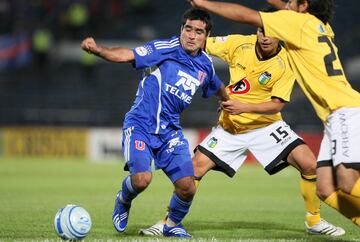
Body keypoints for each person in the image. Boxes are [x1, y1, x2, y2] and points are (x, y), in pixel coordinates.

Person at [139, 13, 344, 236]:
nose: (265, 37)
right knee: (194, 168)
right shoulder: (239, 44)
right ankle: (169, 222)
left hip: (267, 126)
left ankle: (313, 221)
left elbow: (276, 105)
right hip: (231, 127)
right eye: (261, 31)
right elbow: (200, 41)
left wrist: (241, 106)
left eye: (271, 33)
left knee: (309, 164)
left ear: (281, 35)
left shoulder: (286, 61)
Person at [188, 0, 360, 226]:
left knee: (347, 183)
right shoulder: (321, 25)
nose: (285, 6)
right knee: (325, 188)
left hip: (343, 111)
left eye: (290, 2)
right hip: (334, 115)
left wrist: (204, 3)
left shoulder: (296, 24)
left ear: (303, 6)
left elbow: (246, 15)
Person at [81, 8, 228, 238]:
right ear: (181, 30)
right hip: (140, 124)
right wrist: (97, 49)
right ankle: (123, 198)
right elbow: (126, 55)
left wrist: (228, 100)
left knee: (187, 187)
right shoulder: (165, 49)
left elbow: (216, 85)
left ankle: (172, 225)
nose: (191, 35)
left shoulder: (205, 65)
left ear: (206, 36)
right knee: (141, 180)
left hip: (170, 131)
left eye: (198, 32)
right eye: (188, 29)